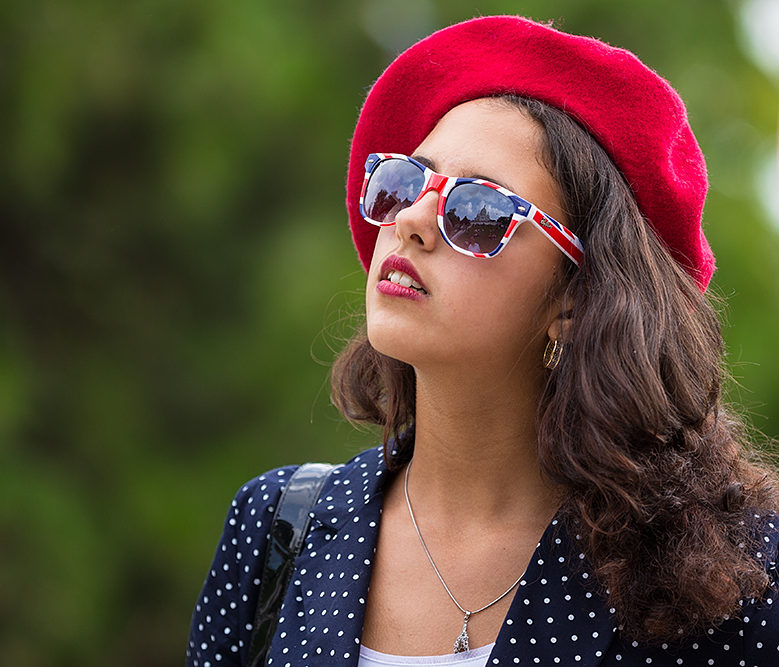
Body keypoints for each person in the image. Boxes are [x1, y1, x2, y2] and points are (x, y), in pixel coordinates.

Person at [187, 15, 779, 667]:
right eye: (403, 182)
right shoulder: (278, 525)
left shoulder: (731, 581)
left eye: (475, 210)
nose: (410, 220)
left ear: (578, 296)